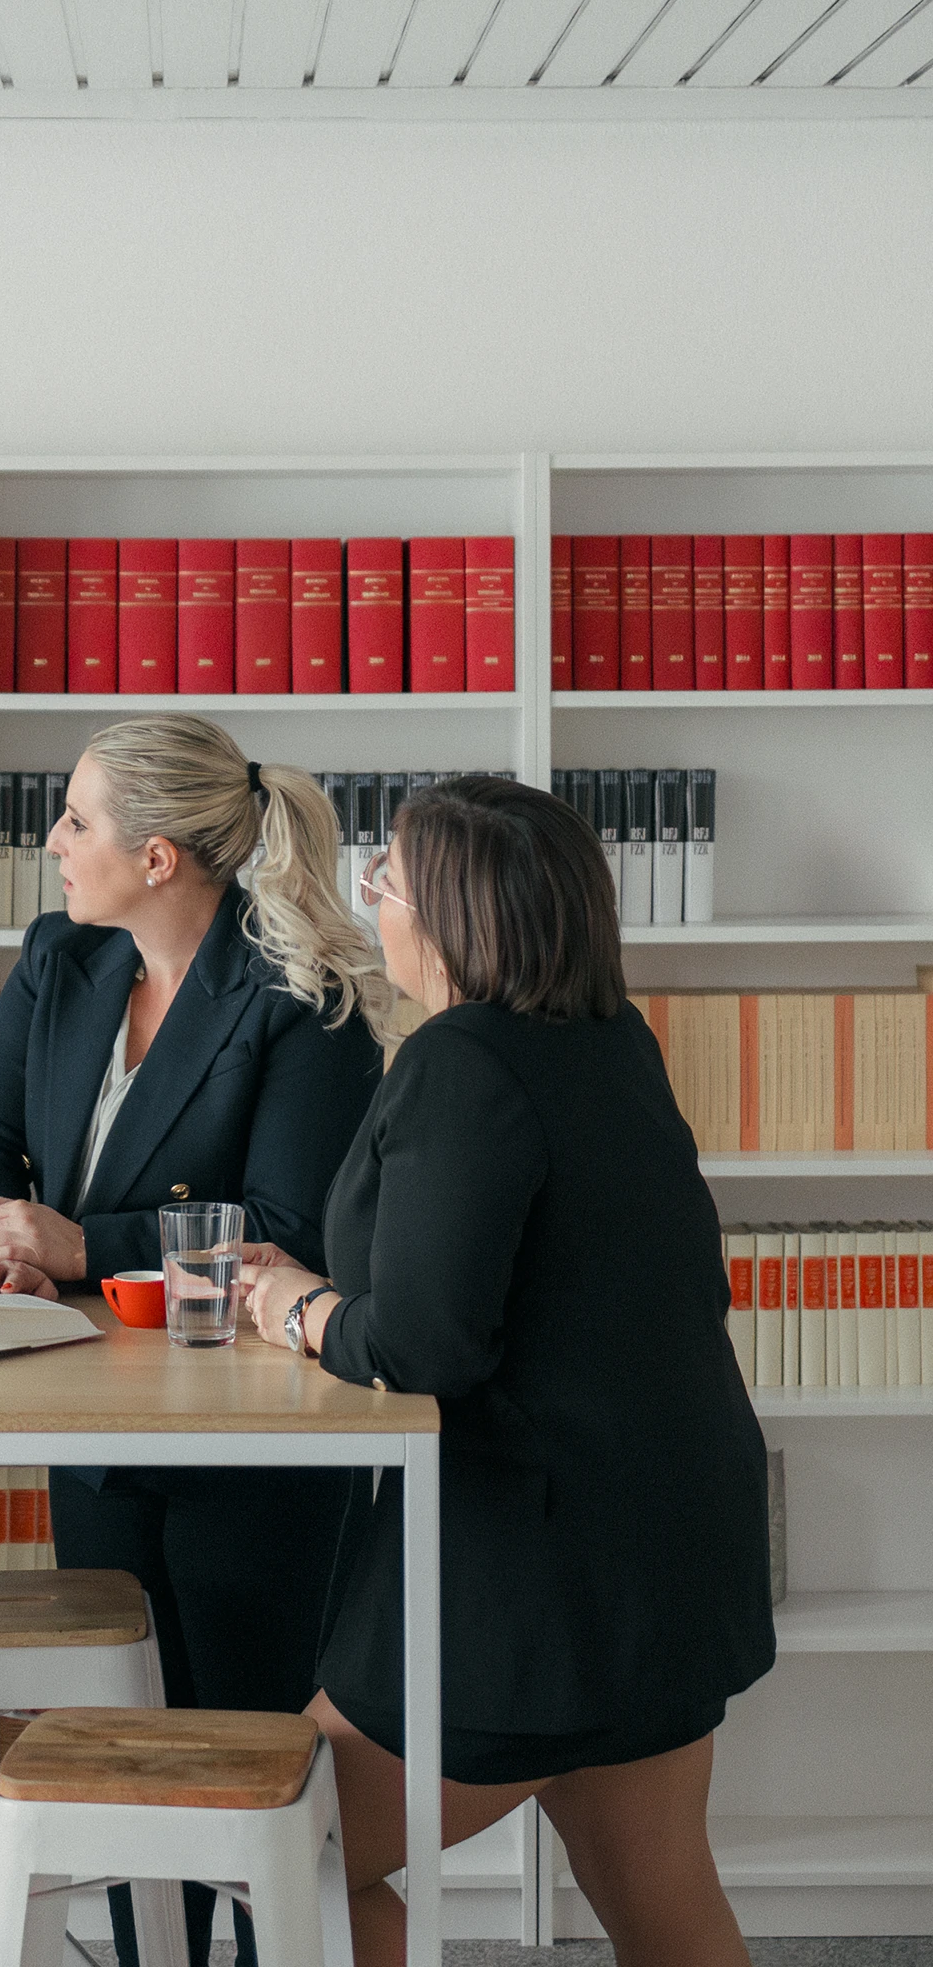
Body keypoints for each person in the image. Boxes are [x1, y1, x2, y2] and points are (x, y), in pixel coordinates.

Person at [240, 775, 773, 1967]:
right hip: (659, 1552)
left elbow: (425, 1344)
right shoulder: (612, 1043)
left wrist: (299, 1310)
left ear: (449, 920)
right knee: (664, 1902)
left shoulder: (462, 1060)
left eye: (386, 881)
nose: (373, 901)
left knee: (287, 1856)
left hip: (525, 1578)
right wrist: (326, 1292)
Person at [0, 713, 387, 1967]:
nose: (52, 841)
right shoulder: (59, 957)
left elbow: (291, 1231)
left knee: (243, 1754)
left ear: (158, 857)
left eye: (76, 819)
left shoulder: (302, 995)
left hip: (252, 1428)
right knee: (125, 1753)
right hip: (86, 1403)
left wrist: (76, 1242)